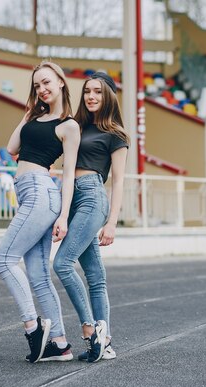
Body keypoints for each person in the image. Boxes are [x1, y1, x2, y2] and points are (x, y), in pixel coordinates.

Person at [0, 61, 80, 363]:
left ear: (60, 82)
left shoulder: (69, 126)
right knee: (39, 275)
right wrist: (29, 112)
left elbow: (68, 174)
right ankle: (59, 343)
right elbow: (11, 147)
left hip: (42, 193)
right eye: (36, 86)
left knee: (3, 260)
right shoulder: (35, 117)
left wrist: (64, 216)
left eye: (46, 83)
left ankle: (33, 327)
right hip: (29, 193)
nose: (41, 89)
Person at [53, 72, 129, 363]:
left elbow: (119, 181)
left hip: (92, 196)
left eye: (97, 91)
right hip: (70, 198)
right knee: (96, 277)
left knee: (62, 263)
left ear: (108, 95)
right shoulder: (76, 126)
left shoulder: (116, 134)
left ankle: (90, 329)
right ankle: (105, 342)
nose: (91, 96)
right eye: (87, 91)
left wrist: (112, 222)